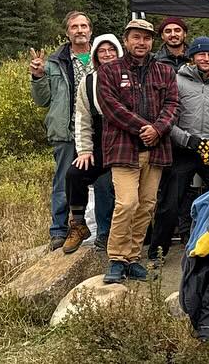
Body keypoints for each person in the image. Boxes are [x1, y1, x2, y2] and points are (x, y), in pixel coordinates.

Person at [96, 18, 179, 284]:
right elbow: (111, 107)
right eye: (135, 37)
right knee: (127, 203)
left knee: (146, 206)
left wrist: (158, 129)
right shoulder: (109, 71)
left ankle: (132, 258)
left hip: (156, 149)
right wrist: (145, 127)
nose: (141, 42)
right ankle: (116, 259)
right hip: (123, 148)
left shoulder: (164, 71)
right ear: (126, 40)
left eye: (146, 38)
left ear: (151, 41)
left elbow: (173, 104)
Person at [148, 36, 209, 262]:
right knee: (170, 203)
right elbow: (167, 120)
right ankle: (157, 252)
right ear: (192, 57)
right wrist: (188, 141)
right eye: (201, 54)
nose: (206, 59)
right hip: (183, 150)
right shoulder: (177, 81)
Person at [30, 10, 94, 250]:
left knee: (100, 183)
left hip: (96, 133)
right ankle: (58, 230)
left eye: (83, 26)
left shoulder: (101, 56)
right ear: (67, 33)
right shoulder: (56, 61)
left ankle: (98, 228)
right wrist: (37, 76)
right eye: (74, 27)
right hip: (66, 132)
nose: (79, 30)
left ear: (90, 30)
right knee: (63, 182)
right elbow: (42, 99)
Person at [63, 33, 120, 254]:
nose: (107, 55)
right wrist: (85, 151)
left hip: (124, 144)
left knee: (106, 184)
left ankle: (106, 234)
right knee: (74, 173)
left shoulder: (129, 78)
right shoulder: (88, 83)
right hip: (99, 143)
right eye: (102, 51)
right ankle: (78, 225)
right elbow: (82, 119)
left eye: (111, 50)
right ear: (95, 55)